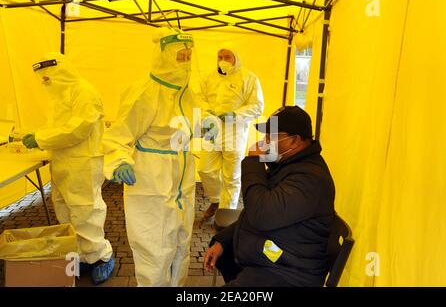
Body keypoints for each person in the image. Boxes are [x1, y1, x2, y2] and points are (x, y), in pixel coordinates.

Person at [102, 28, 196, 287]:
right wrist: (119, 161)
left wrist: (205, 122)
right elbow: (117, 135)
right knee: (154, 250)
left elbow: (188, 123)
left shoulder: (185, 92)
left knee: (181, 244)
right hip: (151, 181)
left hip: (183, 181)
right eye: (180, 55)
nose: (186, 60)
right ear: (165, 55)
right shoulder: (144, 92)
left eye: (189, 55)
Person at [204, 106, 335, 287]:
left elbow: (261, 214)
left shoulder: (310, 179)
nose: (265, 142)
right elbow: (253, 212)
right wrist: (223, 241)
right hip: (274, 261)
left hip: (289, 273)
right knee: (225, 254)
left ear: (294, 141)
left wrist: (254, 162)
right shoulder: (288, 166)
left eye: (271, 136)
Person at [23, 52, 114, 285]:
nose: (45, 83)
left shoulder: (84, 91)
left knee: (86, 211)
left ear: (60, 72)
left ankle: (101, 257)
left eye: (47, 78)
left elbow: (77, 129)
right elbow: (59, 128)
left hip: (83, 162)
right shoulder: (59, 95)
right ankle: (82, 255)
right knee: (65, 211)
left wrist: (40, 138)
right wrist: (38, 138)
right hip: (63, 163)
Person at [197, 43, 264, 219]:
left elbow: (258, 106)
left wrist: (235, 115)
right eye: (220, 57)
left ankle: (225, 216)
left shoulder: (248, 78)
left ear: (236, 58)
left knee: (232, 176)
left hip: (235, 132)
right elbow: (200, 98)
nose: (223, 61)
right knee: (205, 169)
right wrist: (206, 113)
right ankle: (216, 199)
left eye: (227, 57)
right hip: (213, 131)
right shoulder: (208, 77)